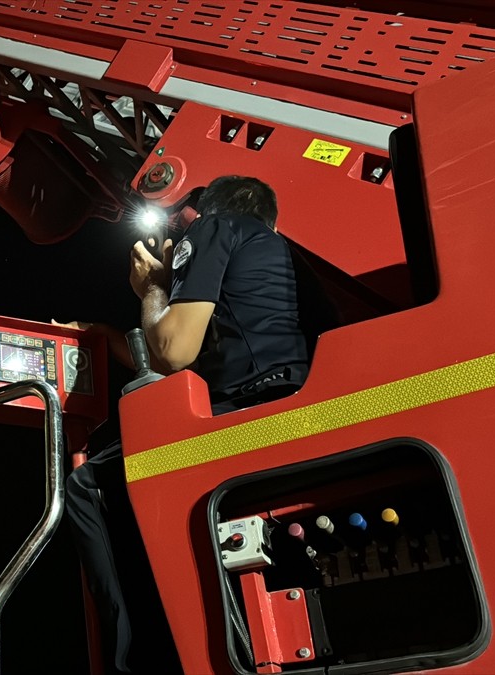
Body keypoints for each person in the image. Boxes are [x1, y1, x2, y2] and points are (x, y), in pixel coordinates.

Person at [65, 176, 312, 674]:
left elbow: (173, 353)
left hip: (244, 407)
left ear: (204, 211)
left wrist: (153, 288)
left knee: (89, 483)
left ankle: (135, 658)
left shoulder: (215, 228)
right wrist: (102, 337)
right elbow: (180, 363)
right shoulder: (268, 250)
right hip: (276, 400)